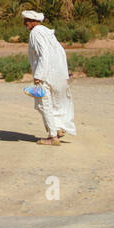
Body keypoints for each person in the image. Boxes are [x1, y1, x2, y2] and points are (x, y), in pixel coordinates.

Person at [23, 10, 75, 145]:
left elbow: (43, 54)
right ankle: (58, 128)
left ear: (33, 21)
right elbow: (60, 51)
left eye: (27, 21)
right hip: (57, 74)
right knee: (56, 103)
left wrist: (39, 76)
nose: (25, 24)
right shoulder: (47, 31)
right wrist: (64, 72)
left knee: (43, 104)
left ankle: (53, 137)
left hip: (46, 74)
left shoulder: (35, 33)